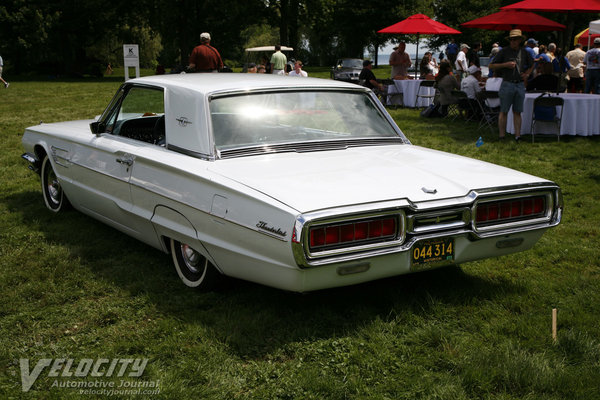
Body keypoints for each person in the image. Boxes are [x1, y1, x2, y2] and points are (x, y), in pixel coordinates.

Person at [489, 29, 534, 141]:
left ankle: (517, 136)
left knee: (517, 111)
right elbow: (491, 66)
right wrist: (505, 64)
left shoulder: (524, 52)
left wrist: (527, 74)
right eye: (511, 39)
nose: (513, 41)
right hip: (507, 83)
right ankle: (501, 136)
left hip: (519, 84)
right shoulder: (504, 51)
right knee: (503, 111)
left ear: (520, 40)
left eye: (515, 39)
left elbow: (532, 64)